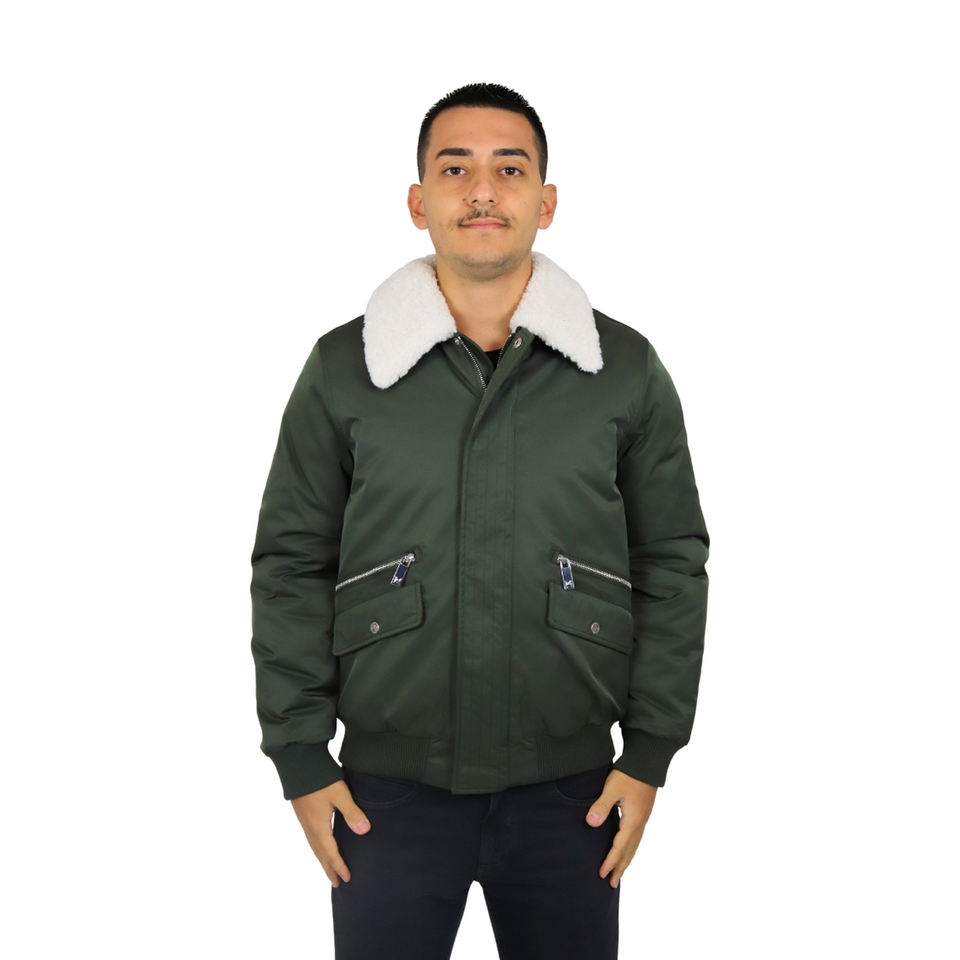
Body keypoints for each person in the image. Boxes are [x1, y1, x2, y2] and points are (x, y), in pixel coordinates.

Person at [250, 82, 710, 960]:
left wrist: (650, 750)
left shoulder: (622, 370)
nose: (483, 190)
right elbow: (291, 562)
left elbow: (671, 562)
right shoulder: (345, 368)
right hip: (384, 795)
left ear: (548, 201)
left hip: (575, 793)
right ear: (418, 201)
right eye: (455, 169)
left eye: (511, 168)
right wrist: (300, 755)